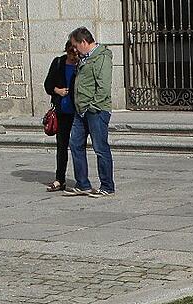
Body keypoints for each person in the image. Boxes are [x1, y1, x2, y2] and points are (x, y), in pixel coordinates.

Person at [64, 27, 115, 198]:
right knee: (75, 144)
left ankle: (107, 186)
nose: (74, 49)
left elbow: (103, 86)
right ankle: (82, 184)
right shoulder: (84, 58)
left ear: (84, 42)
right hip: (81, 110)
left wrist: (92, 106)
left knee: (100, 148)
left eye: (75, 45)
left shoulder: (101, 57)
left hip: (96, 110)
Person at [43, 40, 79, 192]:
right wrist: (57, 91)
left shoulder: (82, 64)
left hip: (78, 112)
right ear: (67, 51)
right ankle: (60, 179)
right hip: (62, 111)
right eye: (71, 53)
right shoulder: (58, 63)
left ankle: (81, 180)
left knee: (78, 147)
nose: (73, 57)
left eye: (75, 53)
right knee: (62, 146)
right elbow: (48, 85)